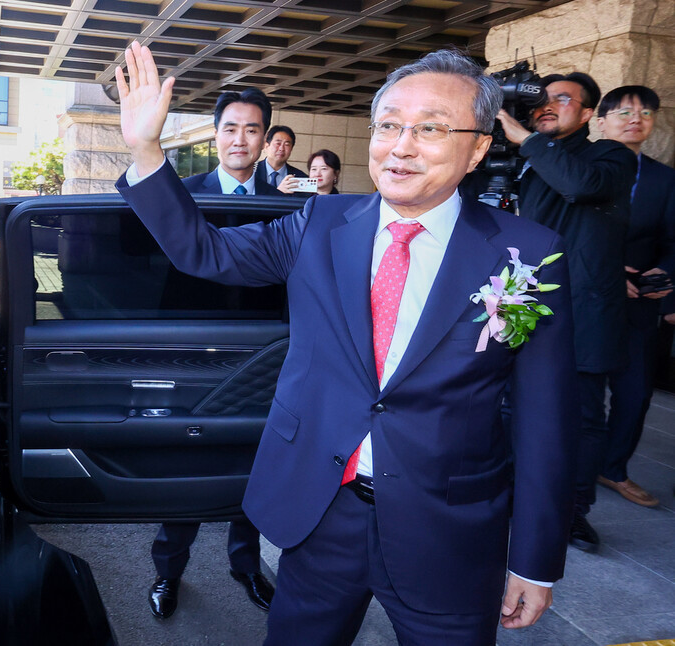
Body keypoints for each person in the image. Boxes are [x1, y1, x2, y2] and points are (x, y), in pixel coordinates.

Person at [116, 41, 577, 645]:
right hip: (323, 511)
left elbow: (545, 422)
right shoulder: (320, 223)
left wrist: (534, 559)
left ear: (479, 148)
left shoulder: (526, 254)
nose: (402, 145)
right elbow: (203, 250)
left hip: (449, 528)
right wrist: (146, 149)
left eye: (431, 128)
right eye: (388, 125)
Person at [146, 85, 277, 622]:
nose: (240, 139)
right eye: (230, 127)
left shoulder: (289, 200)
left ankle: (246, 565)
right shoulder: (183, 191)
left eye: (251, 129)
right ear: (215, 134)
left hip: (266, 355)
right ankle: (167, 571)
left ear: (265, 137)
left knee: (256, 466)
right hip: (196, 351)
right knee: (190, 465)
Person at [498, 72, 637, 552]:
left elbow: (580, 186)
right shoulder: (523, 157)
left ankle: (574, 513)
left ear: (588, 113)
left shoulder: (610, 156)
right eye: (541, 99)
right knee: (511, 405)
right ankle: (512, 497)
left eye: (562, 98)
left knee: (581, 417)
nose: (547, 105)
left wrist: (530, 143)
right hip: (524, 299)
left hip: (584, 309)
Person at [596, 85, 675, 507]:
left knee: (635, 392)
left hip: (638, 304)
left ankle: (612, 469)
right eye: (625, 111)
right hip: (585, 299)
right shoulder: (577, 167)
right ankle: (567, 464)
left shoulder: (664, 178)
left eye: (646, 112)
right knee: (574, 391)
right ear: (600, 120)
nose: (636, 119)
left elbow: (673, 240)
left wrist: (667, 271)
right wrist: (607, 273)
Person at [181, 88, 278, 196]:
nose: (239, 141)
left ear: (264, 139)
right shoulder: (183, 192)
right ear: (216, 136)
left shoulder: (279, 201)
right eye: (230, 130)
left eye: (251, 131)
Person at [259, 125, 307, 192]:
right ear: (266, 146)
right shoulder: (251, 172)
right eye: (278, 143)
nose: (281, 149)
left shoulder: (300, 178)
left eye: (287, 145)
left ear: (291, 149)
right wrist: (278, 192)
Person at [277, 149, 342, 196]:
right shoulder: (297, 196)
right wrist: (279, 193)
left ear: (336, 174)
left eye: (323, 169)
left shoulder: (341, 201)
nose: (317, 174)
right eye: (314, 169)